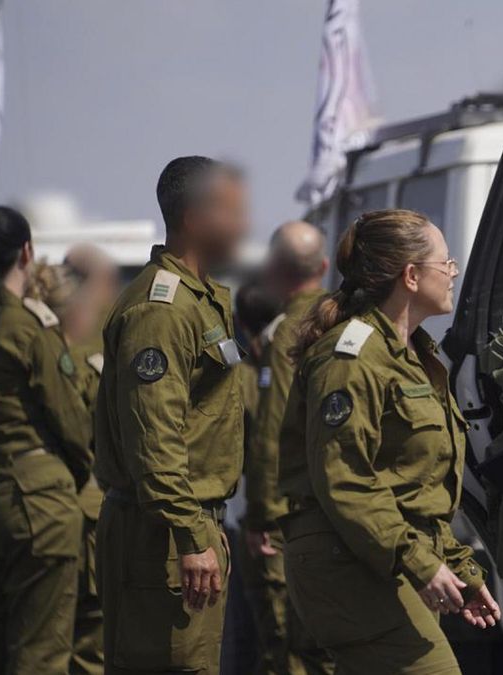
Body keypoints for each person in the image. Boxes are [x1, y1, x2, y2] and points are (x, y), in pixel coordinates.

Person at [277, 209, 500, 674]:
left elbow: (412, 489)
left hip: (383, 559)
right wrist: (420, 563)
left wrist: (457, 566)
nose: (454, 272)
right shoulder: (351, 358)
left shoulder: (415, 353)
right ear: (412, 276)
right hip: (348, 565)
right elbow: (348, 480)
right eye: (446, 263)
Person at [93, 155, 250, 674]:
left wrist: (201, 524)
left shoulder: (199, 299)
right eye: (233, 212)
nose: (244, 225)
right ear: (196, 219)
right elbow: (153, 435)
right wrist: (189, 530)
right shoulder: (162, 310)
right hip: (159, 533)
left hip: (182, 525)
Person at [0, 206, 93, 674]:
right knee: (41, 654)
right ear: (26, 252)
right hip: (38, 502)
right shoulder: (29, 327)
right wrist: (76, 473)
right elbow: (71, 419)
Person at [244, 220, 334, 675]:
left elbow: (270, 429)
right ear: (323, 266)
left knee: (289, 648)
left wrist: (260, 515)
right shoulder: (345, 318)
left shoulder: (288, 332)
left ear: (274, 268)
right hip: (337, 509)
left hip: (289, 516)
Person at [26, 261, 111, 675]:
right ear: (77, 310)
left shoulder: (21, 357)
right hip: (85, 515)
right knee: (89, 640)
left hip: (29, 511)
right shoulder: (89, 364)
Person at [228, 279, 283, 675]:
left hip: (260, 514)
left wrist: (258, 518)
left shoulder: (248, 373)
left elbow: (257, 445)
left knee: (269, 629)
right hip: (303, 513)